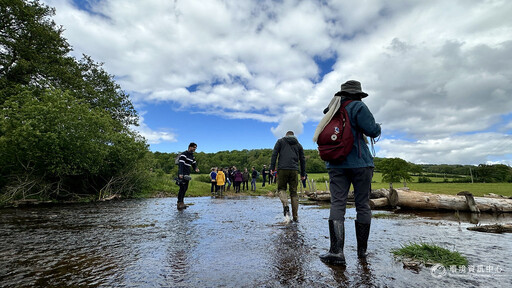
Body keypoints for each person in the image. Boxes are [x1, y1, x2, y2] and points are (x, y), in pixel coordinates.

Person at [314, 80, 381, 265]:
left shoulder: (332, 110)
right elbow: (372, 131)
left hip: (336, 164)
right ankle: (362, 252)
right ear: (358, 94)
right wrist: (378, 127)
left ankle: (336, 253)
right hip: (361, 163)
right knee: (362, 205)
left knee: (337, 204)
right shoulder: (359, 107)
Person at [270, 131, 306, 222]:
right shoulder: (298, 145)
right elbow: (302, 160)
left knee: (281, 189)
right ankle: (295, 217)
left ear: (286, 135)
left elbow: (274, 154)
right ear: (294, 136)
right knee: (293, 192)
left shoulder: (280, 142)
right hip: (294, 170)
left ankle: (286, 206)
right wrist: (303, 174)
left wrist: (272, 167)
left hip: (282, 169)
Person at [177, 142, 200, 210]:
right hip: (182, 174)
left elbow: (194, 163)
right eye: (194, 148)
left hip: (187, 174)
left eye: (195, 148)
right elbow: (181, 164)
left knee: (185, 188)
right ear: (190, 147)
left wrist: (195, 168)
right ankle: (179, 202)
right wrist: (180, 173)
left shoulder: (192, 156)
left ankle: (182, 202)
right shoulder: (184, 154)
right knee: (182, 188)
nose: (194, 149)